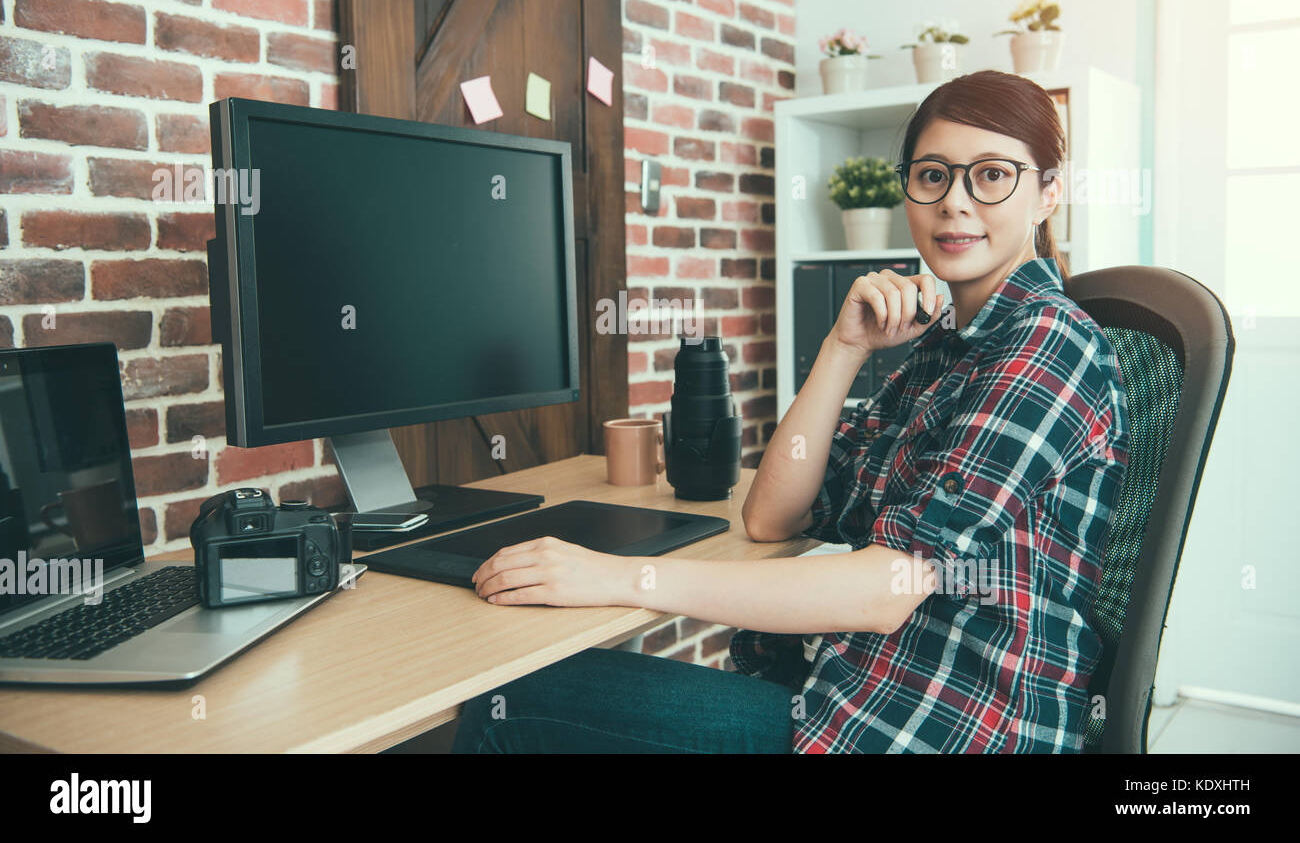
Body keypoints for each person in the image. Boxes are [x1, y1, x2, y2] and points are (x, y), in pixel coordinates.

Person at [451, 69, 1130, 753]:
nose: (954, 202)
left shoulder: (1046, 343)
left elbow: (884, 588)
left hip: (938, 732)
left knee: (509, 704)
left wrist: (619, 575)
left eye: (990, 175)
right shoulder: (943, 349)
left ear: (1048, 192)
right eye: (932, 176)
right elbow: (774, 514)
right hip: (854, 702)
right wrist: (843, 347)